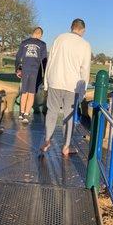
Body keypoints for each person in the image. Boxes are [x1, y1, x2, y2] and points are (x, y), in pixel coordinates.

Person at [41, 18, 91, 156]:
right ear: (83, 30)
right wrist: (83, 91)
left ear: (71, 27)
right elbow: (85, 69)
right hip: (72, 85)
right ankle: (66, 146)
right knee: (68, 116)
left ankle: (47, 140)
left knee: (52, 112)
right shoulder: (85, 45)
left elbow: (50, 60)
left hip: (55, 81)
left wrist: (46, 83)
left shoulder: (59, 38)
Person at [15, 27, 47, 123]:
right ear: (40, 35)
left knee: (24, 92)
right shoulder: (42, 44)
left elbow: (18, 57)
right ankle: (26, 114)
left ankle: (21, 113)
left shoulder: (24, 42)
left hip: (25, 70)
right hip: (35, 71)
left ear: (32, 33)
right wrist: (45, 73)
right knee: (31, 93)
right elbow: (44, 60)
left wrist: (17, 69)